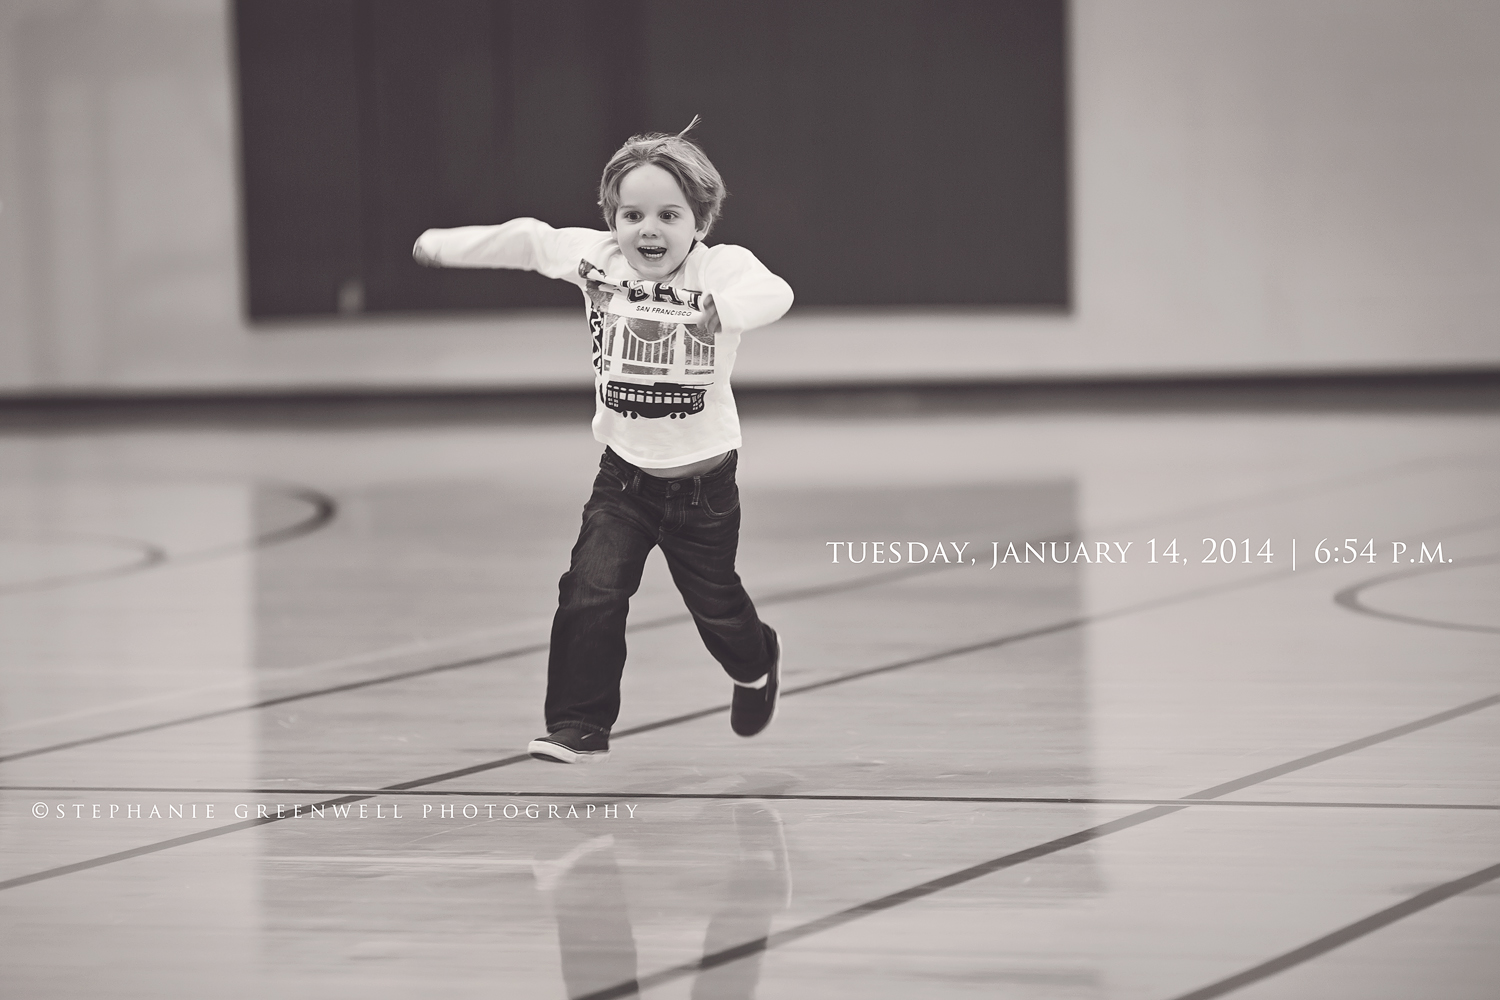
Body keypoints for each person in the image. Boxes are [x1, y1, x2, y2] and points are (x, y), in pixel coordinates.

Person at [413, 120, 793, 763]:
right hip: (623, 480)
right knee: (590, 588)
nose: (649, 229)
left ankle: (757, 662)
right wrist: (443, 245)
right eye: (632, 213)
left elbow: (774, 291)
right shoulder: (599, 260)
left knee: (718, 610)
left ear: (698, 220)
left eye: (669, 214)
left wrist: (722, 311)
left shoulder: (720, 267)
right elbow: (531, 241)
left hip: (702, 490)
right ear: (612, 219)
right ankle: (579, 724)